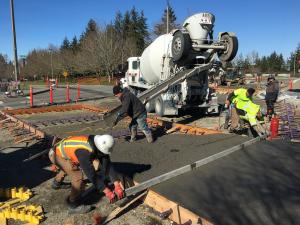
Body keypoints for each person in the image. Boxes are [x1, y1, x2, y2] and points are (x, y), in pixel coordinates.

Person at [49, 134, 124, 214]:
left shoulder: (98, 142)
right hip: (55, 155)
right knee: (77, 176)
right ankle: (73, 204)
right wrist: (106, 190)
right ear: (99, 149)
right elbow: (91, 174)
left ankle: (56, 183)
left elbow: (107, 164)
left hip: (63, 151)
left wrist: (116, 184)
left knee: (68, 167)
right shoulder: (83, 152)